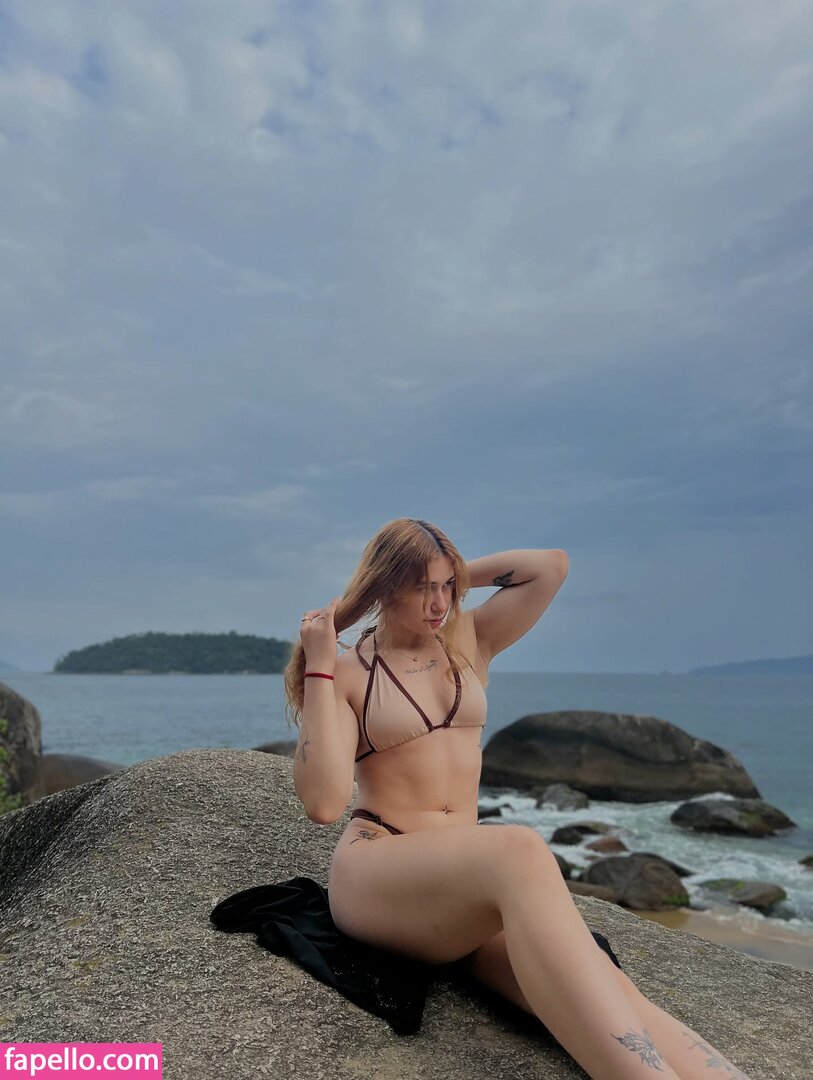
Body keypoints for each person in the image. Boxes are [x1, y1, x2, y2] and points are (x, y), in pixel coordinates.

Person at [283, 518, 750, 1080]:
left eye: (446, 586)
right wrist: (319, 665)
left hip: (464, 888)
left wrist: (456, 573)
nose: (439, 603)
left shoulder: (466, 640)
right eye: (422, 587)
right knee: (520, 849)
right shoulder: (350, 672)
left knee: (606, 987)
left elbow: (550, 567)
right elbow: (324, 804)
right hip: (381, 868)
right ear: (385, 586)